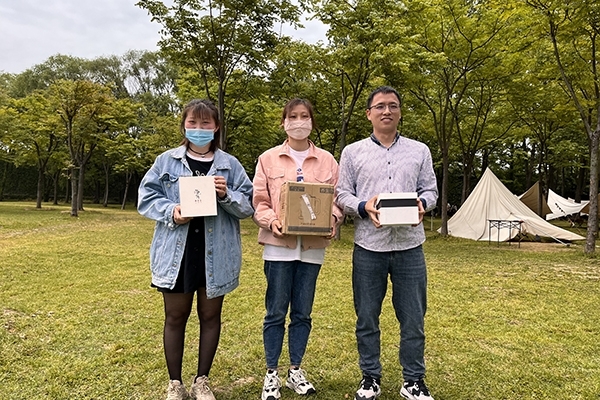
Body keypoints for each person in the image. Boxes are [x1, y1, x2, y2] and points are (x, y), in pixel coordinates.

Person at [138, 99, 254, 400]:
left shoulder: (230, 165)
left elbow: (248, 206)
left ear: (216, 127)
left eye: (205, 123)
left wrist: (227, 194)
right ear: (184, 125)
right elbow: (146, 197)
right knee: (175, 316)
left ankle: (201, 381)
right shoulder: (166, 161)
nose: (199, 128)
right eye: (193, 122)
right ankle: (175, 383)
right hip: (178, 253)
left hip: (217, 253)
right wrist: (173, 211)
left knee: (210, 316)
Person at [335, 86, 438, 400]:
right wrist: (363, 206)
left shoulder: (419, 151)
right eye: (379, 106)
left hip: (410, 247)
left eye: (393, 105)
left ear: (400, 112)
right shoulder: (352, 152)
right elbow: (342, 193)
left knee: (413, 319)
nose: (387, 111)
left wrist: (422, 204)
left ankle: (413, 381)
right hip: (369, 247)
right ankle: (370, 378)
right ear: (369, 114)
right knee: (367, 317)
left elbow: (431, 190)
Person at [252, 98, 343, 400]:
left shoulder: (328, 161)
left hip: (312, 249)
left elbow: (337, 201)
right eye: (293, 116)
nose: (299, 121)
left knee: (303, 312)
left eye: (305, 116)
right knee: (275, 312)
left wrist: (332, 219)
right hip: (278, 247)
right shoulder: (268, 159)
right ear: (284, 122)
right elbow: (259, 202)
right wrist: (271, 221)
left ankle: (295, 370)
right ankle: (271, 373)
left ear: (312, 122)